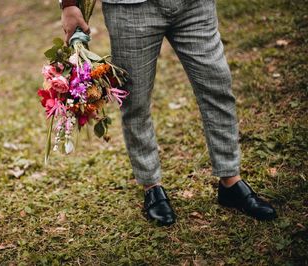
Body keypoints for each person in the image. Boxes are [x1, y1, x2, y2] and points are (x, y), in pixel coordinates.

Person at [59, 0, 277, 226]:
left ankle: (231, 181)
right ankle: (152, 187)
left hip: (194, 5)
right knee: (135, 101)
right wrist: (69, 4)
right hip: (131, 9)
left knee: (217, 85)